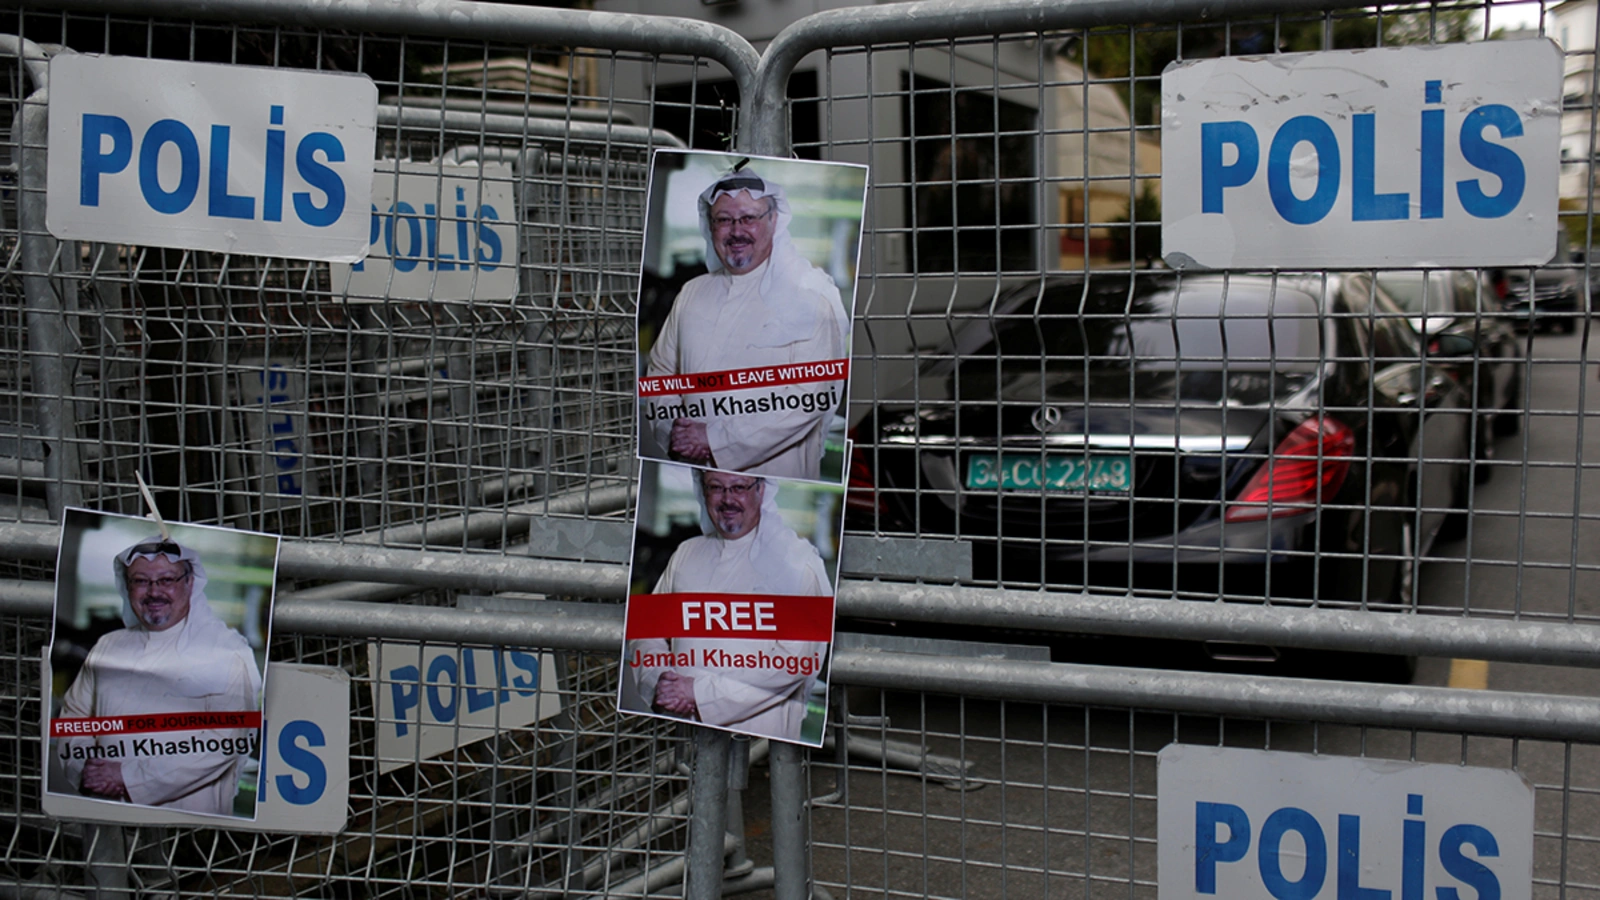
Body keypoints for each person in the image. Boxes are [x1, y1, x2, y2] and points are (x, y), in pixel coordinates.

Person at [643, 165, 851, 480]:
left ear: (774, 221)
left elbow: (810, 398)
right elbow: (660, 375)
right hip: (699, 481)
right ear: (710, 226)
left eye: (749, 218)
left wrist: (712, 439)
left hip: (779, 485)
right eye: (724, 220)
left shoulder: (811, 299)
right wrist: (673, 430)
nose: (736, 231)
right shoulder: (691, 293)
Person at [53, 537, 263, 816]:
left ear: (189, 584)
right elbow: (74, 718)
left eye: (166, 580)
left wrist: (127, 778)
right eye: (141, 581)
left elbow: (226, 740)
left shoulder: (226, 652)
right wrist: (87, 770)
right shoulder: (108, 646)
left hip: (187, 833)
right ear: (128, 587)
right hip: (107, 819)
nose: (154, 592)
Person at [628, 469, 832, 742]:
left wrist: (698, 694)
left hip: (765, 741)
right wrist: (659, 681)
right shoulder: (687, 553)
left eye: (738, 487)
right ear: (703, 492)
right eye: (716, 487)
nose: (727, 499)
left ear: (761, 490)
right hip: (682, 733)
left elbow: (794, 663)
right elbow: (647, 632)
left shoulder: (798, 564)